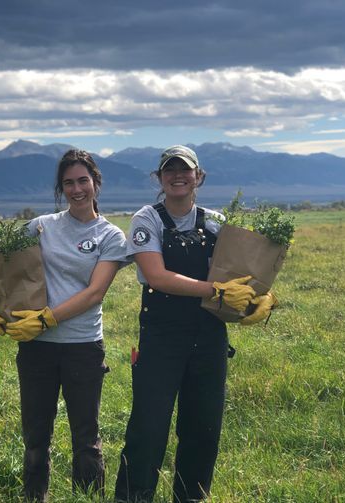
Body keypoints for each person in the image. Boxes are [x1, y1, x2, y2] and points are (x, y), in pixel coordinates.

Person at [114, 145, 276, 502]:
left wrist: (256, 297)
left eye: (185, 170)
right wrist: (216, 291)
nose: (177, 176)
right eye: (169, 171)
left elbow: (243, 270)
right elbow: (156, 276)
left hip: (208, 337)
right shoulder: (147, 220)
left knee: (203, 428)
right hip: (161, 337)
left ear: (198, 176)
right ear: (159, 178)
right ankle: (133, 497)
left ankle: (191, 497)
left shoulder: (217, 222)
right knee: (148, 427)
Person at [0, 149, 127, 502]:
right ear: (61, 188)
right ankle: (33, 497)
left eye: (83, 181)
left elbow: (94, 293)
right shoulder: (41, 226)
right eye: (69, 183)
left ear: (96, 183)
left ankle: (87, 498)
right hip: (37, 347)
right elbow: (12, 272)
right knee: (35, 435)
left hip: (83, 347)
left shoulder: (111, 236)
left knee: (86, 438)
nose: (77, 189)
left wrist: (48, 319)